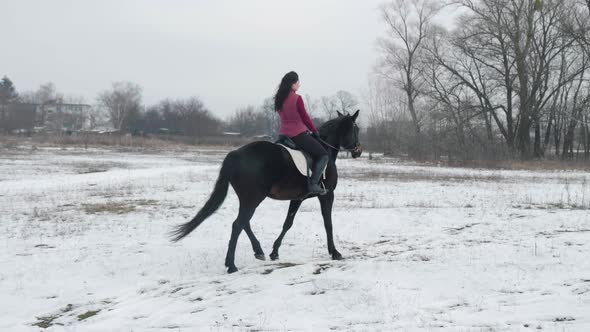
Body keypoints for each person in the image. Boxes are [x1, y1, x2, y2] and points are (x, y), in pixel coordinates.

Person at [274, 71, 328, 195]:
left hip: (283, 134)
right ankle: (313, 184)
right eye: (298, 82)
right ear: (292, 84)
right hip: (297, 134)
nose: (299, 85)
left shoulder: (279, 98)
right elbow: (304, 117)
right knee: (323, 155)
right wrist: (314, 131)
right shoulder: (297, 98)